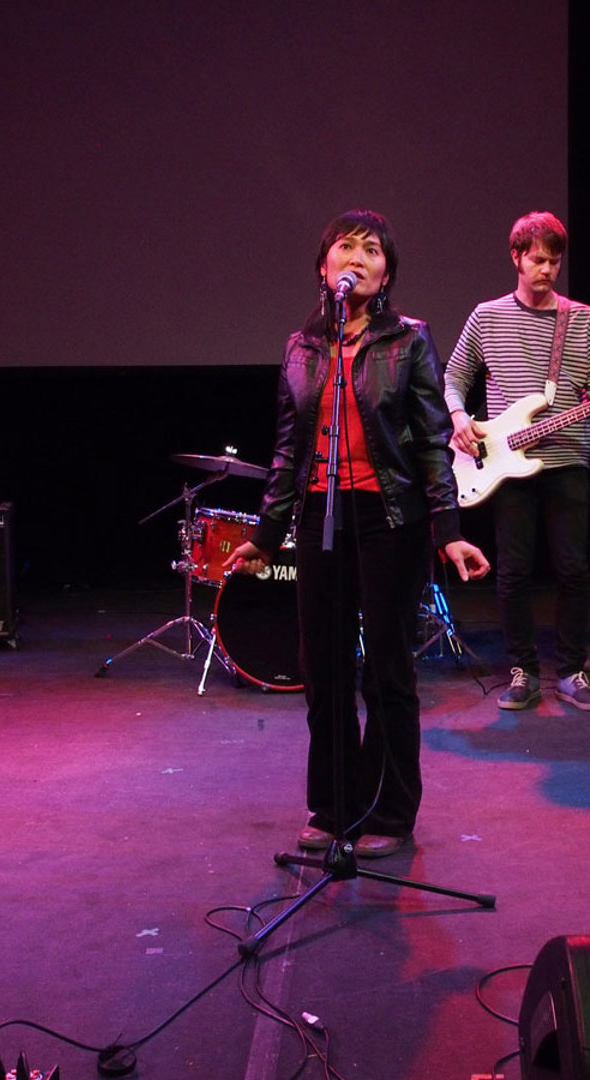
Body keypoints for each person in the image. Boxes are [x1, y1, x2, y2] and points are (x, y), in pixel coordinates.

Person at [225, 209, 488, 859]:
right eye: (347, 247)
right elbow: (289, 452)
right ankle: (334, 805)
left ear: (386, 274)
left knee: (388, 673)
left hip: (390, 520)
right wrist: (266, 535)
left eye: (373, 251)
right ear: (325, 267)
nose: (358, 257)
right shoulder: (302, 348)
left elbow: (431, 444)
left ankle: (391, 813)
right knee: (326, 669)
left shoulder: (410, 341)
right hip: (320, 516)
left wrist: (448, 531)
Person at [444, 212, 590, 712]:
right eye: (537, 260)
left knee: (574, 570)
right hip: (504, 463)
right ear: (516, 257)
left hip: (568, 458)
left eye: (554, 261)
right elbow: (452, 378)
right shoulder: (487, 317)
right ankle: (522, 671)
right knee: (513, 570)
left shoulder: (585, 319)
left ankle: (573, 672)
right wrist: (459, 418)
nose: (547, 270)